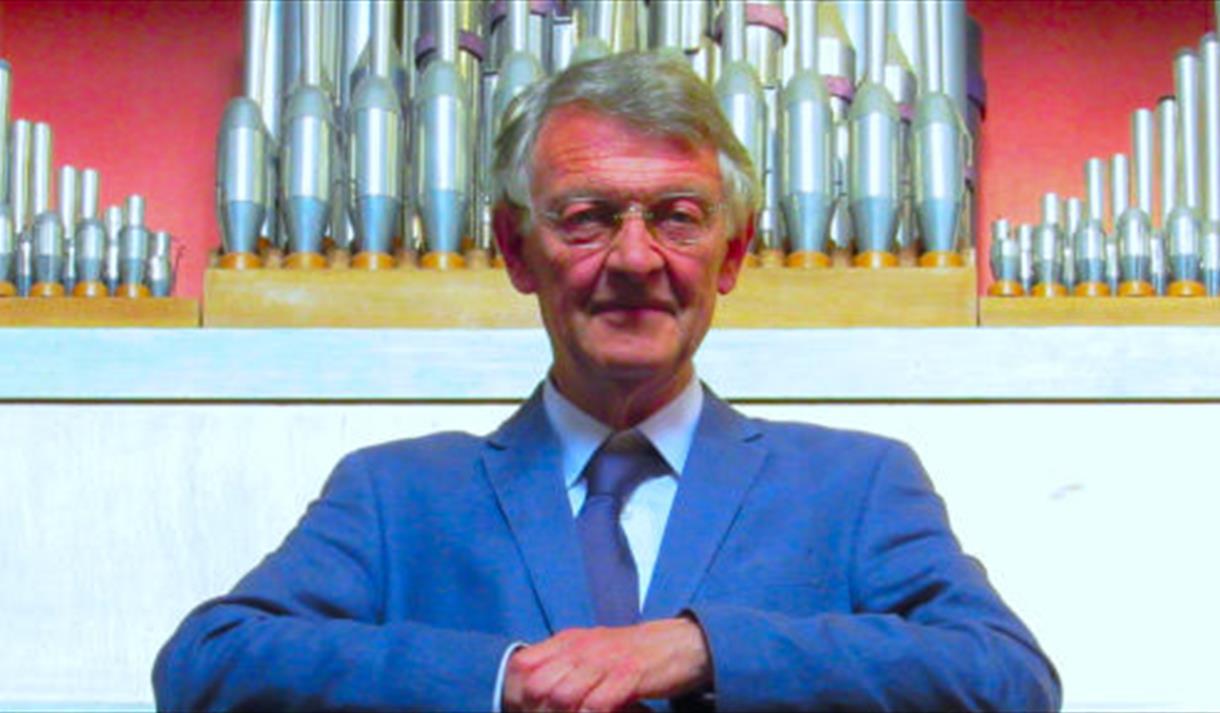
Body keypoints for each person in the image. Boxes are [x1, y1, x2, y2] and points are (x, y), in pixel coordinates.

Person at [154, 51, 1060, 712]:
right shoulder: (395, 492)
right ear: (516, 249)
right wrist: (503, 677)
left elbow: (1009, 677)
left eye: (678, 217)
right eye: (587, 218)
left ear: (733, 252)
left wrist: (703, 647)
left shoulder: (857, 483)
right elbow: (206, 665)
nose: (635, 258)